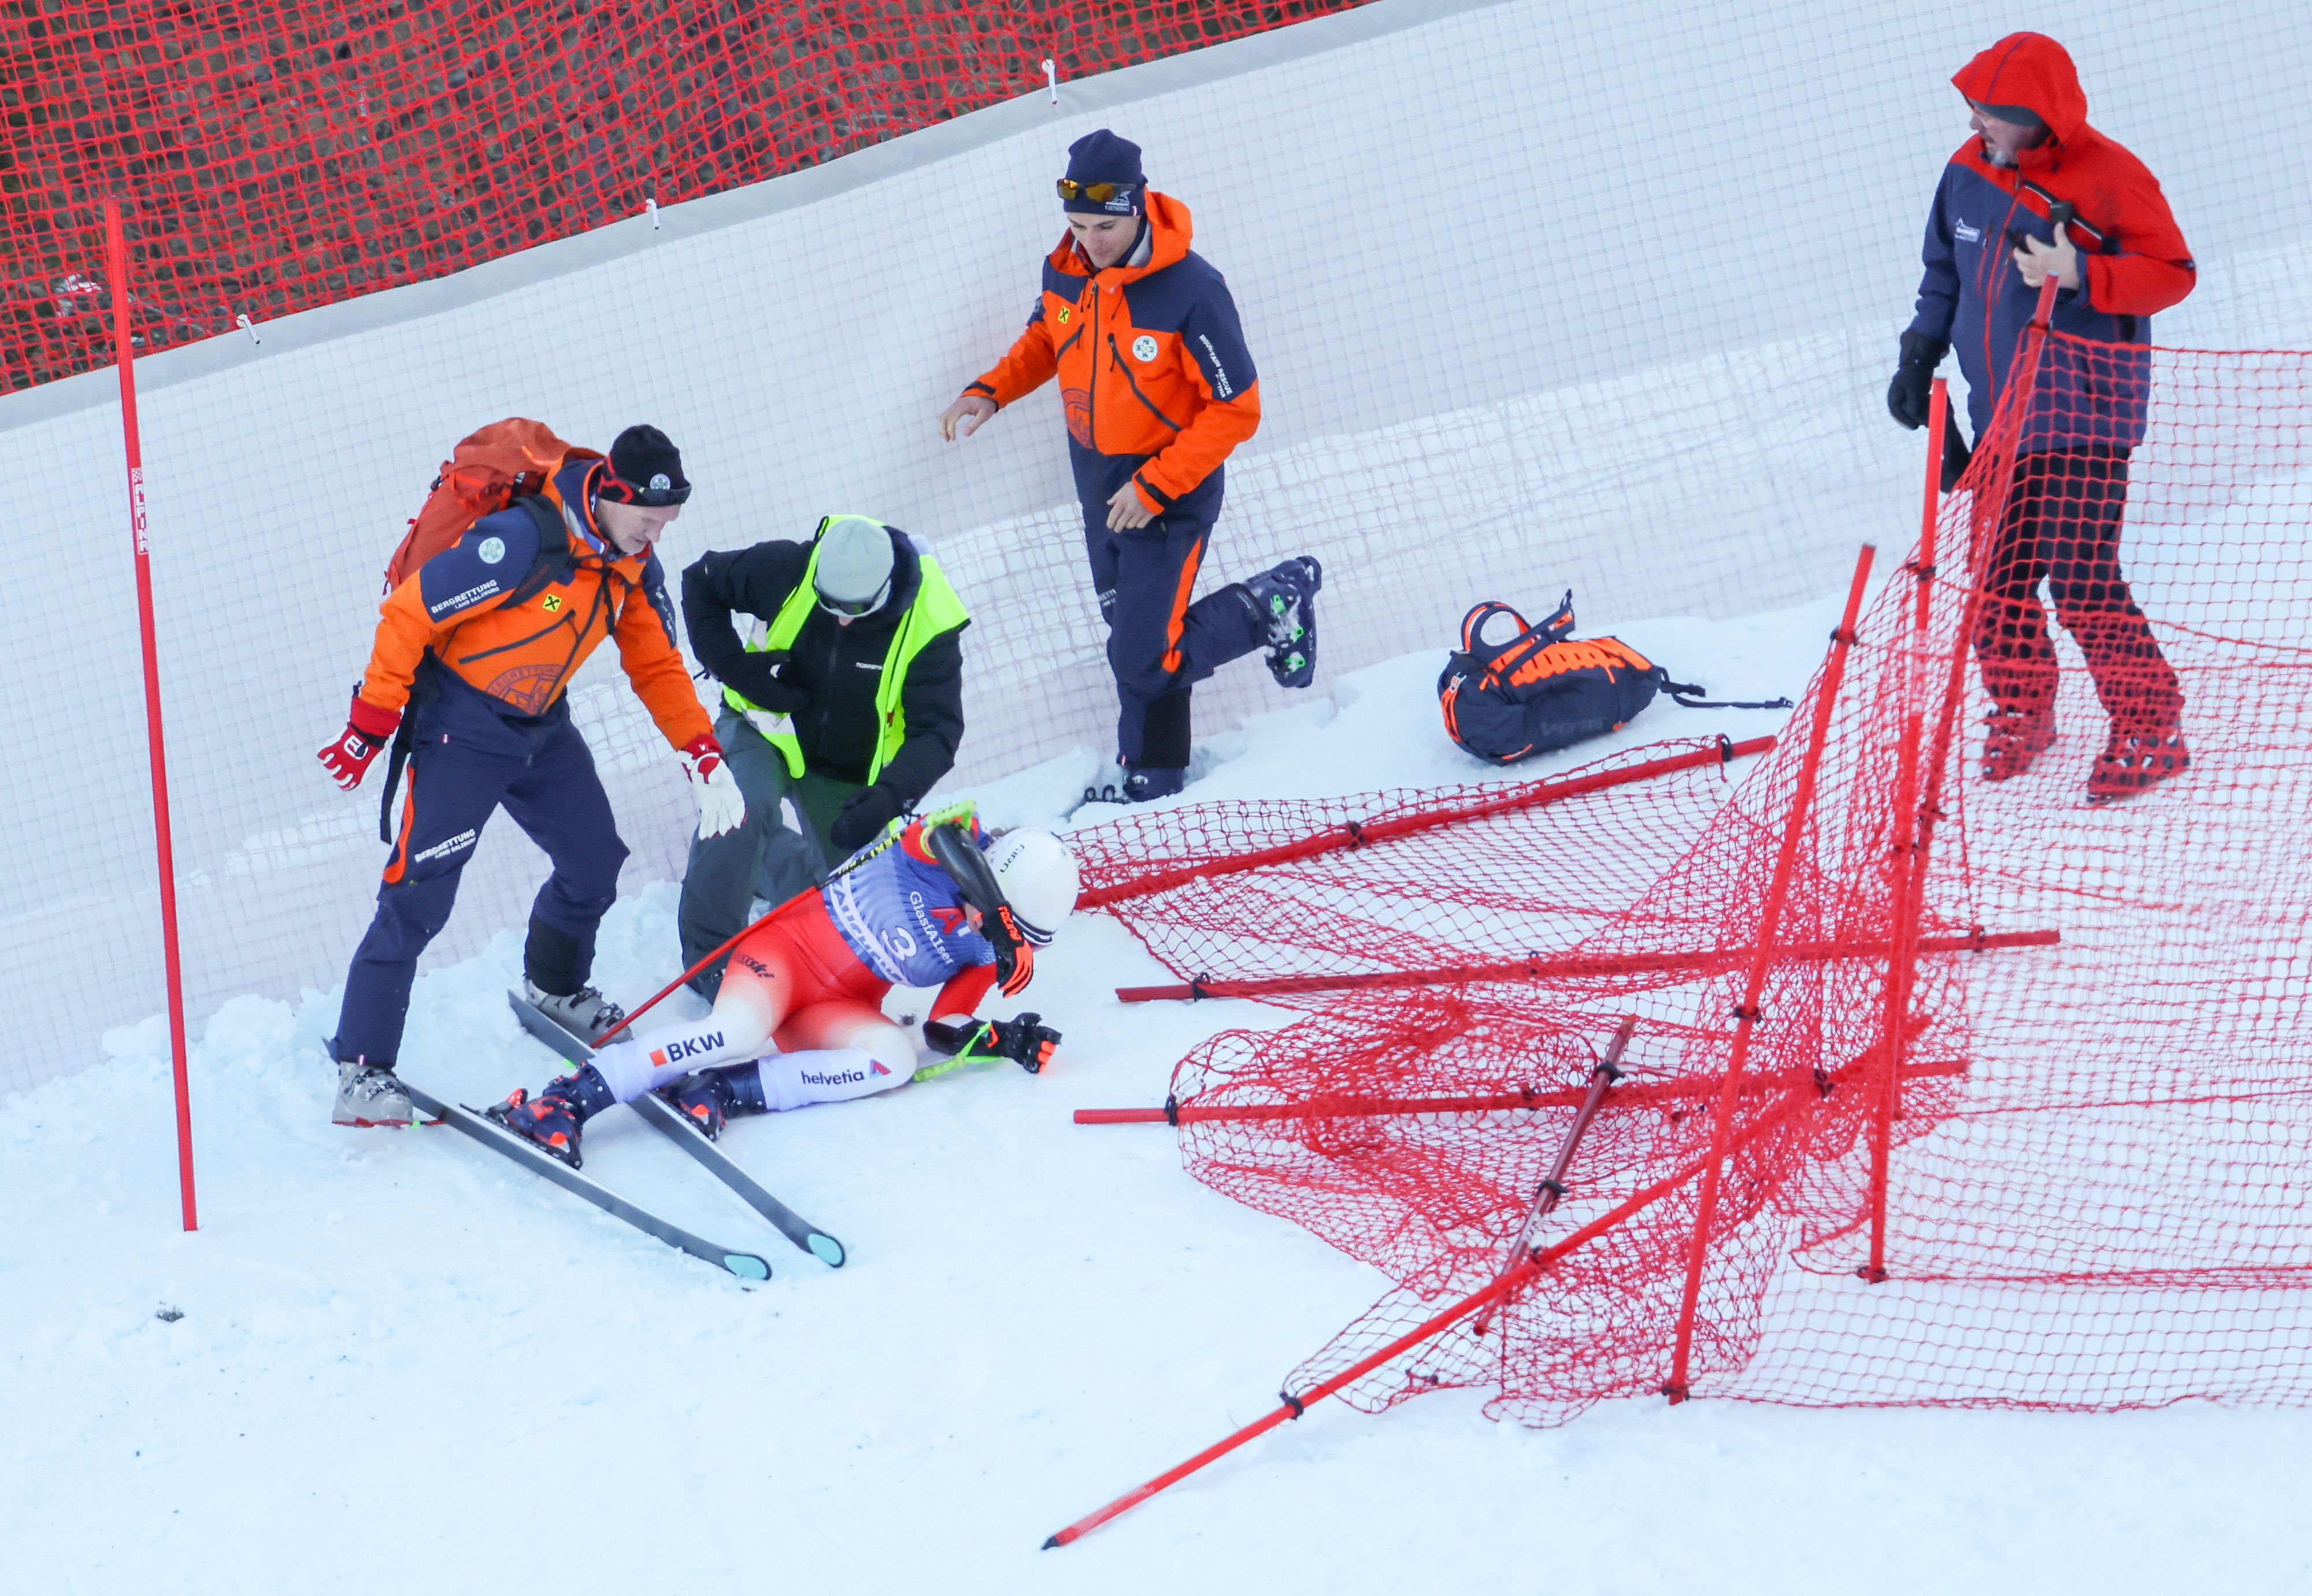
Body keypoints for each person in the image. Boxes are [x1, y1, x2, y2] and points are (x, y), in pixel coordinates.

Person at [317, 425, 744, 1127]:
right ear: (611, 490)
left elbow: (657, 665)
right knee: (417, 899)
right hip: (463, 731)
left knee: (594, 858)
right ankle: (361, 1066)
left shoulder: (629, 564)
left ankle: (554, 986)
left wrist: (699, 751)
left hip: (543, 729)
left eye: (668, 524)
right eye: (648, 520)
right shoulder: (522, 540)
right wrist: (372, 720)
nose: (655, 537)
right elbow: (408, 613)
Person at [938, 128, 1323, 803]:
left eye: (1104, 225)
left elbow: (1237, 408)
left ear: (1137, 206)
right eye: (1078, 224)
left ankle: (1269, 606)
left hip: (1169, 492)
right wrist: (990, 390)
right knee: (1135, 635)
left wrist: (1156, 485)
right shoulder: (1065, 267)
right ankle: (1156, 774)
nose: (1091, 240)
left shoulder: (1191, 289)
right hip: (1098, 484)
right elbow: (1045, 338)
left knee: (1142, 653)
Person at [1888, 32, 2195, 803]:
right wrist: (1920, 352)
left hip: (2083, 413)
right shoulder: (1966, 173)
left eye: (1992, 114)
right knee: (1998, 577)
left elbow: (2172, 273)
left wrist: (2080, 272)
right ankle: (2023, 708)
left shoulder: (2113, 178)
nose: (1976, 125)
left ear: (2040, 116)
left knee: (2084, 580)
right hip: (2000, 417)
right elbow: (1942, 271)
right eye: (1973, 109)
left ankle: (2151, 728)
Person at [487, 805, 1077, 1164]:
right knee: (738, 1028)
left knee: (894, 1060)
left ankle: (725, 1090)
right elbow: (942, 835)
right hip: (784, 955)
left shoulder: (985, 946)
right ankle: (562, 1100)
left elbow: (942, 1029)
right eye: (996, 916)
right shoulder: (952, 842)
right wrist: (998, 919)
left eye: (1013, 932)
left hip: (835, 1005)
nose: (985, 928)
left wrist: (1001, 1039)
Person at [676, 514, 968, 997]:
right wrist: (738, 670)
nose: (842, 620)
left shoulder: (931, 623)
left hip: (848, 768)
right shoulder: (788, 566)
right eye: (829, 604)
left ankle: (765, 860)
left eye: (855, 609)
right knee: (740, 813)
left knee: (853, 899)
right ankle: (709, 958)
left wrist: (887, 797)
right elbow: (700, 582)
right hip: (764, 727)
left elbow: (938, 731)